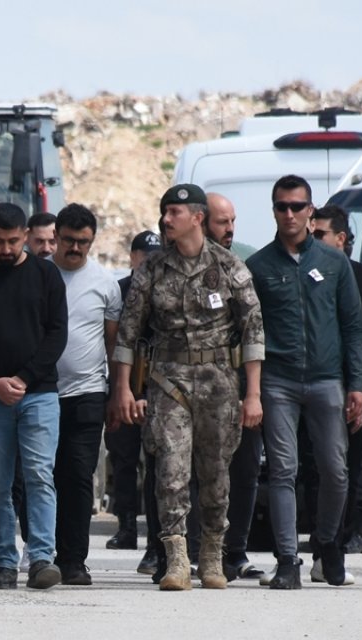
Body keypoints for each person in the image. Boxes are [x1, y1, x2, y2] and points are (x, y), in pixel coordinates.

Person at [112, 184, 265, 591]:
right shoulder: (152, 270)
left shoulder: (230, 267)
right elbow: (127, 335)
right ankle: (177, 558)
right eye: (164, 212)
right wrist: (124, 390)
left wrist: (253, 394)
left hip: (218, 383)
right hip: (169, 382)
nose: (166, 220)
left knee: (216, 474)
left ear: (197, 218)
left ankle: (212, 553)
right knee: (170, 473)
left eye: (174, 212)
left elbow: (253, 333)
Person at [246, 175, 362, 589]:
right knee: (283, 469)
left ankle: (328, 544)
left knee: (336, 470)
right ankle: (286, 560)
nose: (290, 214)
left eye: (298, 206)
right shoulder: (259, 267)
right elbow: (249, 334)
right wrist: (252, 390)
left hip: (327, 378)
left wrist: (358, 384)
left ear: (311, 210)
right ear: (274, 211)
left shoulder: (334, 264)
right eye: (282, 206)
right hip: (277, 381)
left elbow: (353, 327)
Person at [0, 203, 68, 590]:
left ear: (24, 236)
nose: (4, 249)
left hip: (38, 394)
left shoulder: (46, 275)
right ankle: (2, 560)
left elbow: (56, 334)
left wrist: (22, 378)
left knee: (39, 476)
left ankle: (41, 558)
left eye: (13, 241)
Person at [192, 192, 266, 582]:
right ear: (201, 220)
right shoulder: (177, 264)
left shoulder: (243, 261)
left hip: (235, 384)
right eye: (223, 222)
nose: (230, 229)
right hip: (188, 386)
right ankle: (189, 550)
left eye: (233, 220)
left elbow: (254, 330)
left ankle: (234, 551)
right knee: (189, 470)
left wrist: (251, 392)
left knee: (243, 468)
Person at [50, 204, 121, 585]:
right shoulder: (39, 273)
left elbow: (113, 344)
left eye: (83, 242)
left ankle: (73, 559)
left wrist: (116, 392)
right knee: (40, 476)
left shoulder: (105, 283)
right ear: (56, 236)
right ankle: (42, 551)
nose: (75, 248)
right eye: (69, 241)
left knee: (78, 477)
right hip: (41, 393)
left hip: (88, 393)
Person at [311, 204, 362, 556]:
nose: (314, 240)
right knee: (314, 458)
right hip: (312, 378)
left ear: (340, 238)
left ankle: (356, 528)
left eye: (320, 234)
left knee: (354, 457)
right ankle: (322, 531)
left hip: (350, 379)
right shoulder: (305, 272)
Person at [105, 230, 161, 559]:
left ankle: (156, 539)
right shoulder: (120, 292)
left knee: (158, 465)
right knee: (124, 459)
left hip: (159, 388)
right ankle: (126, 525)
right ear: (132, 257)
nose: (148, 262)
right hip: (124, 387)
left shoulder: (165, 289)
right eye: (144, 255)